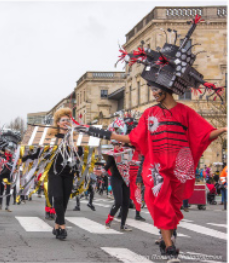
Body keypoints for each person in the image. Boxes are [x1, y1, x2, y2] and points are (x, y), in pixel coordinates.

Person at [80, 15, 227, 262]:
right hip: (156, 167)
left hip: (180, 167)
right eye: (151, 89)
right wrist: (102, 132)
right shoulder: (148, 113)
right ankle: (169, 245)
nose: (153, 92)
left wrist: (223, 130)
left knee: (174, 205)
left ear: (167, 88)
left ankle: (165, 235)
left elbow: (203, 134)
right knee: (160, 203)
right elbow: (133, 139)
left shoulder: (186, 112)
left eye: (155, 89)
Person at [46, 107, 83, 240]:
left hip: (69, 171)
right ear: (58, 122)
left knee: (66, 199)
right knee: (58, 198)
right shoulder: (52, 137)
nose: (66, 122)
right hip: (54, 171)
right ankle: (63, 226)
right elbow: (42, 154)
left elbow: (81, 154)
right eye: (63, 120)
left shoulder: (74, 137)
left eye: (68, 120)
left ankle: (56, 225)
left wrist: (77, 149)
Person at [102, 141, 132, 231]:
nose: (117, 146)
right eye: (115, 145)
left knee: (126, 203)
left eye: (118, 144)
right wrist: (102, 171)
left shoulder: (127, 152)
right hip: (116, 179)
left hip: (126, 179)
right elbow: (107, 166)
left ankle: (123, 225)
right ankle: (109, 220)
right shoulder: (112, 155)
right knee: (118, 201)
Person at [0, 147, 14, 212]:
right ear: (4, 150)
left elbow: (13, 166)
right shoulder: (1, 156)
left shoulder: (12, 157)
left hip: (8, 176)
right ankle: (0, 205)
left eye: (9, 149)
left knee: (8, 191)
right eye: (7, 149)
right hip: (2, 175)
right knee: (1, 190)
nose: (8, 150)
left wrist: (15, 169)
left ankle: (7, 206)